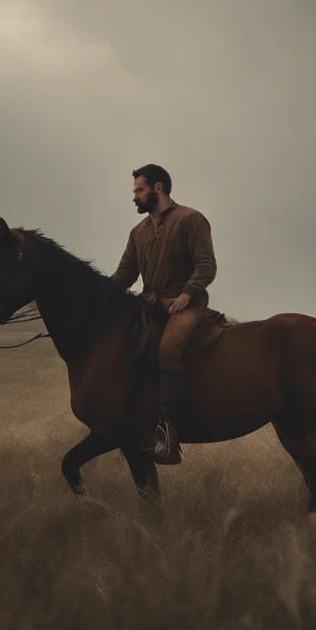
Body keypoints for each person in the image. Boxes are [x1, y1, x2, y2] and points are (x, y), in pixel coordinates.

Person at [110, 164, 217, 464]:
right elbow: (124, 275)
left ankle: (169, 434)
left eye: (139, 190)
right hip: (151, 305)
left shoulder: (191, 219)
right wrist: (95, 294)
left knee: (168, 350)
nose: (134, 197)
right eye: (134, 191)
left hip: (188, 303)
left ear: (158, 188)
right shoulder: (138, 232)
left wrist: (187, 293)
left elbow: (206, 265)